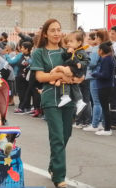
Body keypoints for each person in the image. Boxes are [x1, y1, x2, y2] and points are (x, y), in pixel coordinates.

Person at [30, 18, 83, 188]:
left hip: (68, 98)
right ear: (45, 33)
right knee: (57, 137)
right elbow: (39, 76)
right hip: (50, 98)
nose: (56, 33)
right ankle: (59, 177)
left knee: (65, 135)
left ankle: (53, 166)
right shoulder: (39, 53)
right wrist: (60, 75)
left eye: (58, 30)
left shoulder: (67, 52)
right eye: (52, 30)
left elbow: (79, 73)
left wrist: (76, 77)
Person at [49, 31, 89, 115]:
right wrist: (68, 52)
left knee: (64, 78)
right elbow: (64, 57)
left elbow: (86, 61)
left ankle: (65, 95)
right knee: (74, 86)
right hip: (73, 70)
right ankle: (79, 101)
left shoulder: (81, 52)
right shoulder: (71, 50)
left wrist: (80, 64)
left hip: (75, 70)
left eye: (71, 41)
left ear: (79, 42)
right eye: (68, 42)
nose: (68, 44)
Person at [91, 41, 116, 136]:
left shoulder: (106, 59)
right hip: (107, 86)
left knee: (105, 107)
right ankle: (106, 127)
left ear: (101, 50)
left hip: (105, 86)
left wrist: (95, 74)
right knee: (105, 107)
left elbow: (105, 75)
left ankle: (107, 129)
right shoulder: (109, 58)